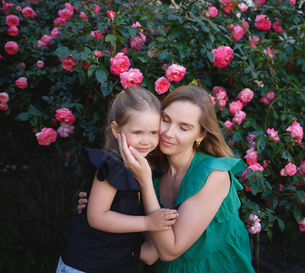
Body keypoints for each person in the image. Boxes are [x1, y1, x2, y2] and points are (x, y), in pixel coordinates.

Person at [79, 85, 255, 273]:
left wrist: (145, 184)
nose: (169, 133)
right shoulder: (151, 171)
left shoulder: (213, 175)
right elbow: (150, 251)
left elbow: (169, 251)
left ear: (201, 135)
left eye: (184, 128)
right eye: (166, 120)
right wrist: (101, 211)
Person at [56, 87, 178, 273]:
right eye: (137, 132)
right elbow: (97, 217)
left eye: (153, 132)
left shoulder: (144, 168)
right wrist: (149, 222)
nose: (146, 140)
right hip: (86, 264)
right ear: (116, 130)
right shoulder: (113, 164)